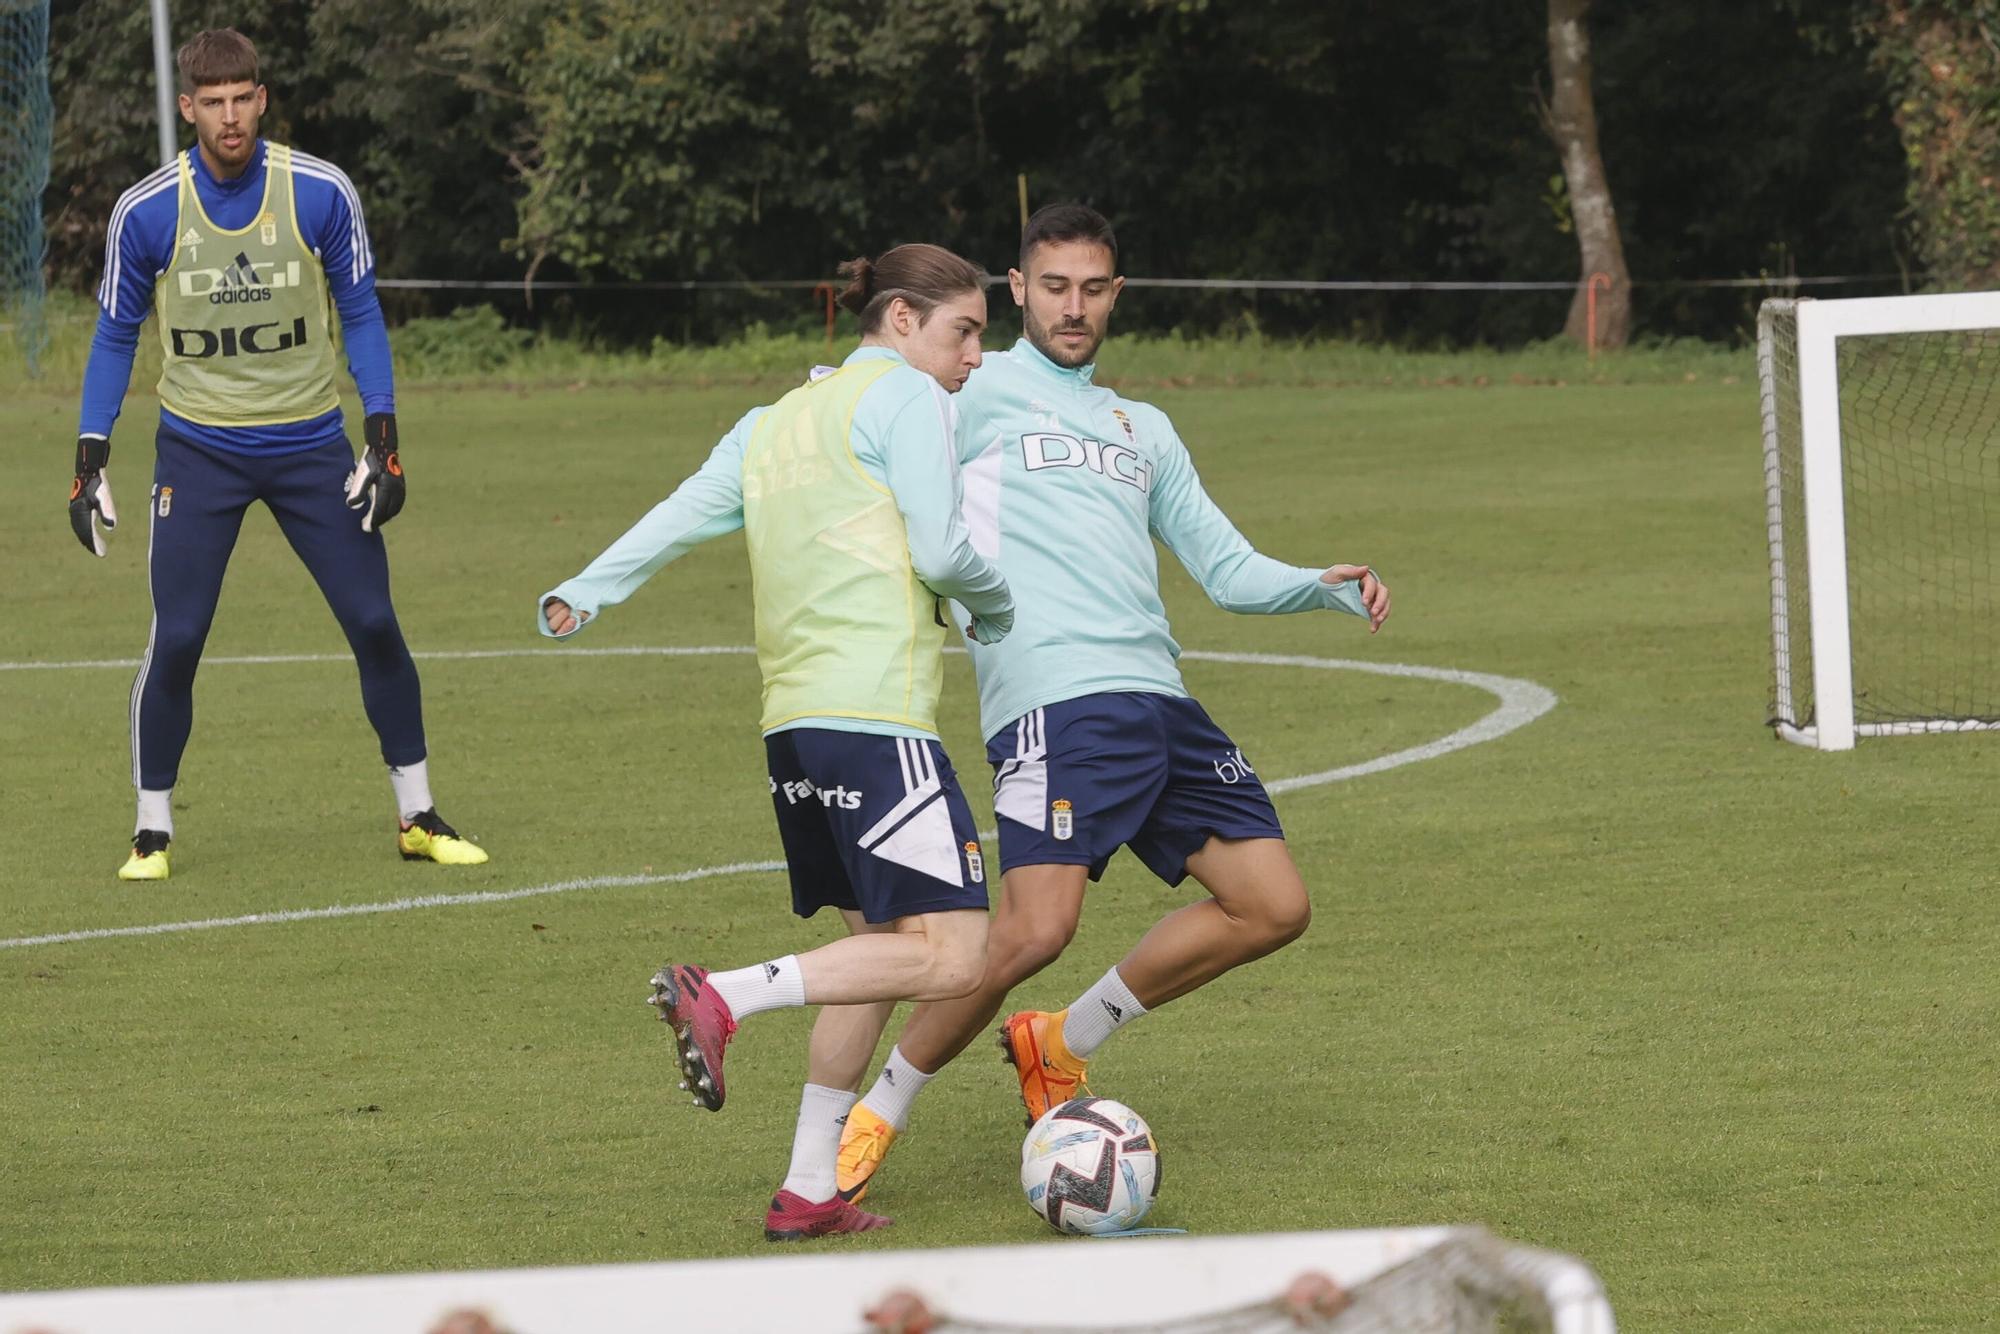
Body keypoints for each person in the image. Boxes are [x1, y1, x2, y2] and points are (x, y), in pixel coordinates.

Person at [834, 204, 1392, 1203]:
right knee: (1030, 929)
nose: (1072, 307)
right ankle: (878, 1103)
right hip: (1053, 697)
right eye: (1053, 286)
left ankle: (1061, 1036)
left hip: (1159, 702)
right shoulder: (970, 388)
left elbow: (1223, 565)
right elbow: (863, 408)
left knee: (1273, 903)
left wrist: (1321, 581)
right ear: (1016, 289)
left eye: (1092, 288)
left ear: (1116, 293)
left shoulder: (1143, 427)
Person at [536, 244, 1013, 1241]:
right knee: (959, 953)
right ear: (897, 320)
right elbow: (940, 548)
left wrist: (587, 586)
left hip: (791, 728)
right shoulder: (912, 402)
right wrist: (999, 602)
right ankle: (726, 994)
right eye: (962, 329)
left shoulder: (773, 421)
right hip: (875, 715)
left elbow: (684, 513)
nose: (975, 354)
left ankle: (807, 1186)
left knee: (880, 951)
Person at [69, 28, 486, 882]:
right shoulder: (147, 210)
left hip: (309, 446)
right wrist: (90, 456)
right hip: (197, 453)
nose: (229, 117)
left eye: (242, 99)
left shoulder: (319, 191)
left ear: (263, 99)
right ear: (188, 108)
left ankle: (418, 814)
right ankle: (152, 831)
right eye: (211, 102)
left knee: (374, 621)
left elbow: (362, 312)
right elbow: (115, 333)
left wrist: (384, 437)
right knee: (178, 636)